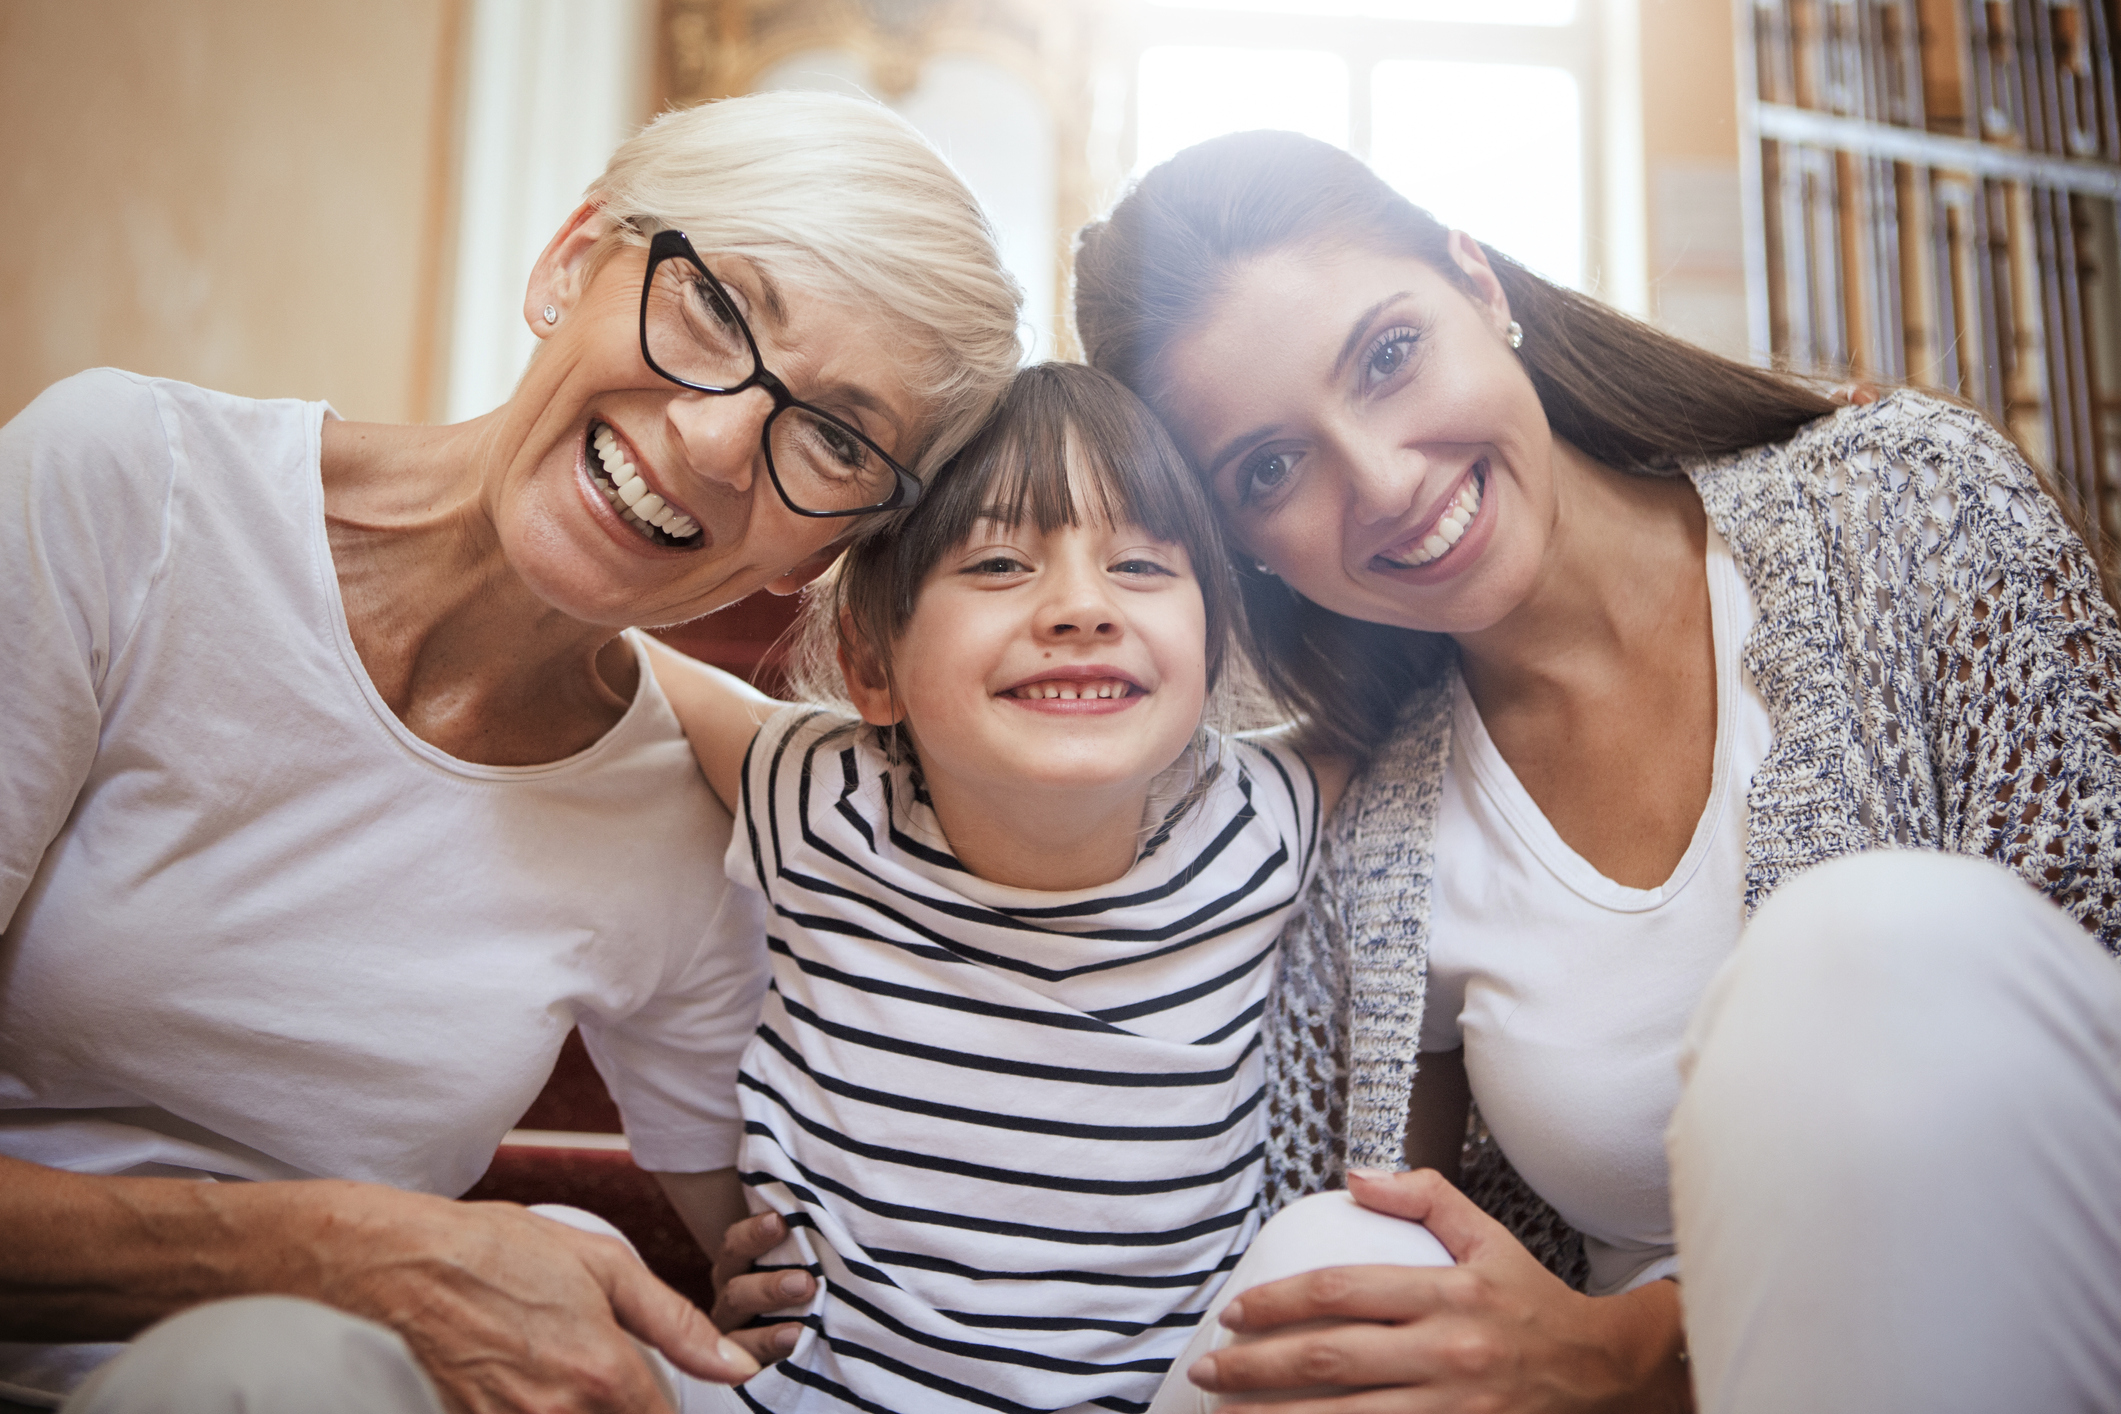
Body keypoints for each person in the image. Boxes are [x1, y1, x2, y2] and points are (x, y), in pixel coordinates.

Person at [1061, 130, 2121, 1412]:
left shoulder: (1910, 507)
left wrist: (1618, 1350)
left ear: (1480, 284)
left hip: (2027, 1318)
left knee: (1865, 940)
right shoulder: (1373, 817)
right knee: (1323, 1257)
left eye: (1389, 356)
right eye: (1271, 468)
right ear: (1246, 545)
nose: (1385, 481)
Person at [0, 90, 1021, 1414]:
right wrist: (354, 1255)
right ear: (570, 261)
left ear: (834, 545)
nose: (715, 443)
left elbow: (778, 1247)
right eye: (716, 305)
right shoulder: (124, 491)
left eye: (835, 436)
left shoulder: (674, 815)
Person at [647, 361, 1381, 1413]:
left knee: (1364, 1240)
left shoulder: (1261, 816)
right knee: (555, 1248)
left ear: (1215, 642)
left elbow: (1444, 679)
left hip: (1163, 1401)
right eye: (997, 562)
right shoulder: (820, 795)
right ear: (870, 662)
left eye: (1138, 564)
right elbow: (612, 656)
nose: (1082, 607)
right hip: (822, 1397)